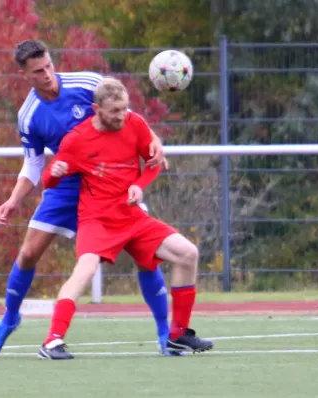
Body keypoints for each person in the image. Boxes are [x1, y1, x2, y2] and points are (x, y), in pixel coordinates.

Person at [0, 39, 175, 358]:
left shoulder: (87, 83)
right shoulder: (28, 115)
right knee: (28, 253)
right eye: (38, 72)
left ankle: (164, 334)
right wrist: (14, 199)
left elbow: (127, 115)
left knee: (145, 254)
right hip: (67, 184)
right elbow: (32, 163)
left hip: (110, 183)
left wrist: (154, 141)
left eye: (49, 66)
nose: (47, 75)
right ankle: (9, 319)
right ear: (24, 74)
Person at [37, 77, 214, 360]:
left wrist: (139, 184)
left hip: (132, 217)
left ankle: (178, 336)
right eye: (114, 111)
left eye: (124, 108)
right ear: (96, 109)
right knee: (84, 270)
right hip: (97, 220)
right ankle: (52, 341)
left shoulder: (135, 124)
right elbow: (48, 181)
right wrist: (54, 173)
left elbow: (154, 164)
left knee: (187, 253)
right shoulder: (78, 140)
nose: (121, 115)